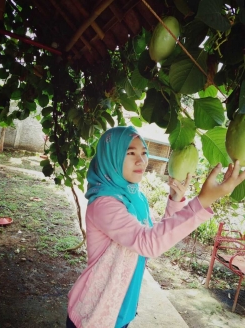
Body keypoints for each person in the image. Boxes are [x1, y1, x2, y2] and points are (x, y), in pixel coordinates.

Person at [66, 125, 245, 328]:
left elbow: (152, 239)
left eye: (143, 152)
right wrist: (202, 201)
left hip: (121, 310)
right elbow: (147, 243)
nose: (141, 160)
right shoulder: (104, 204)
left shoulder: (135, 197)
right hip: (94, 312)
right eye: (130, 152)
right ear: (111, 157)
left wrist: (176, 201)